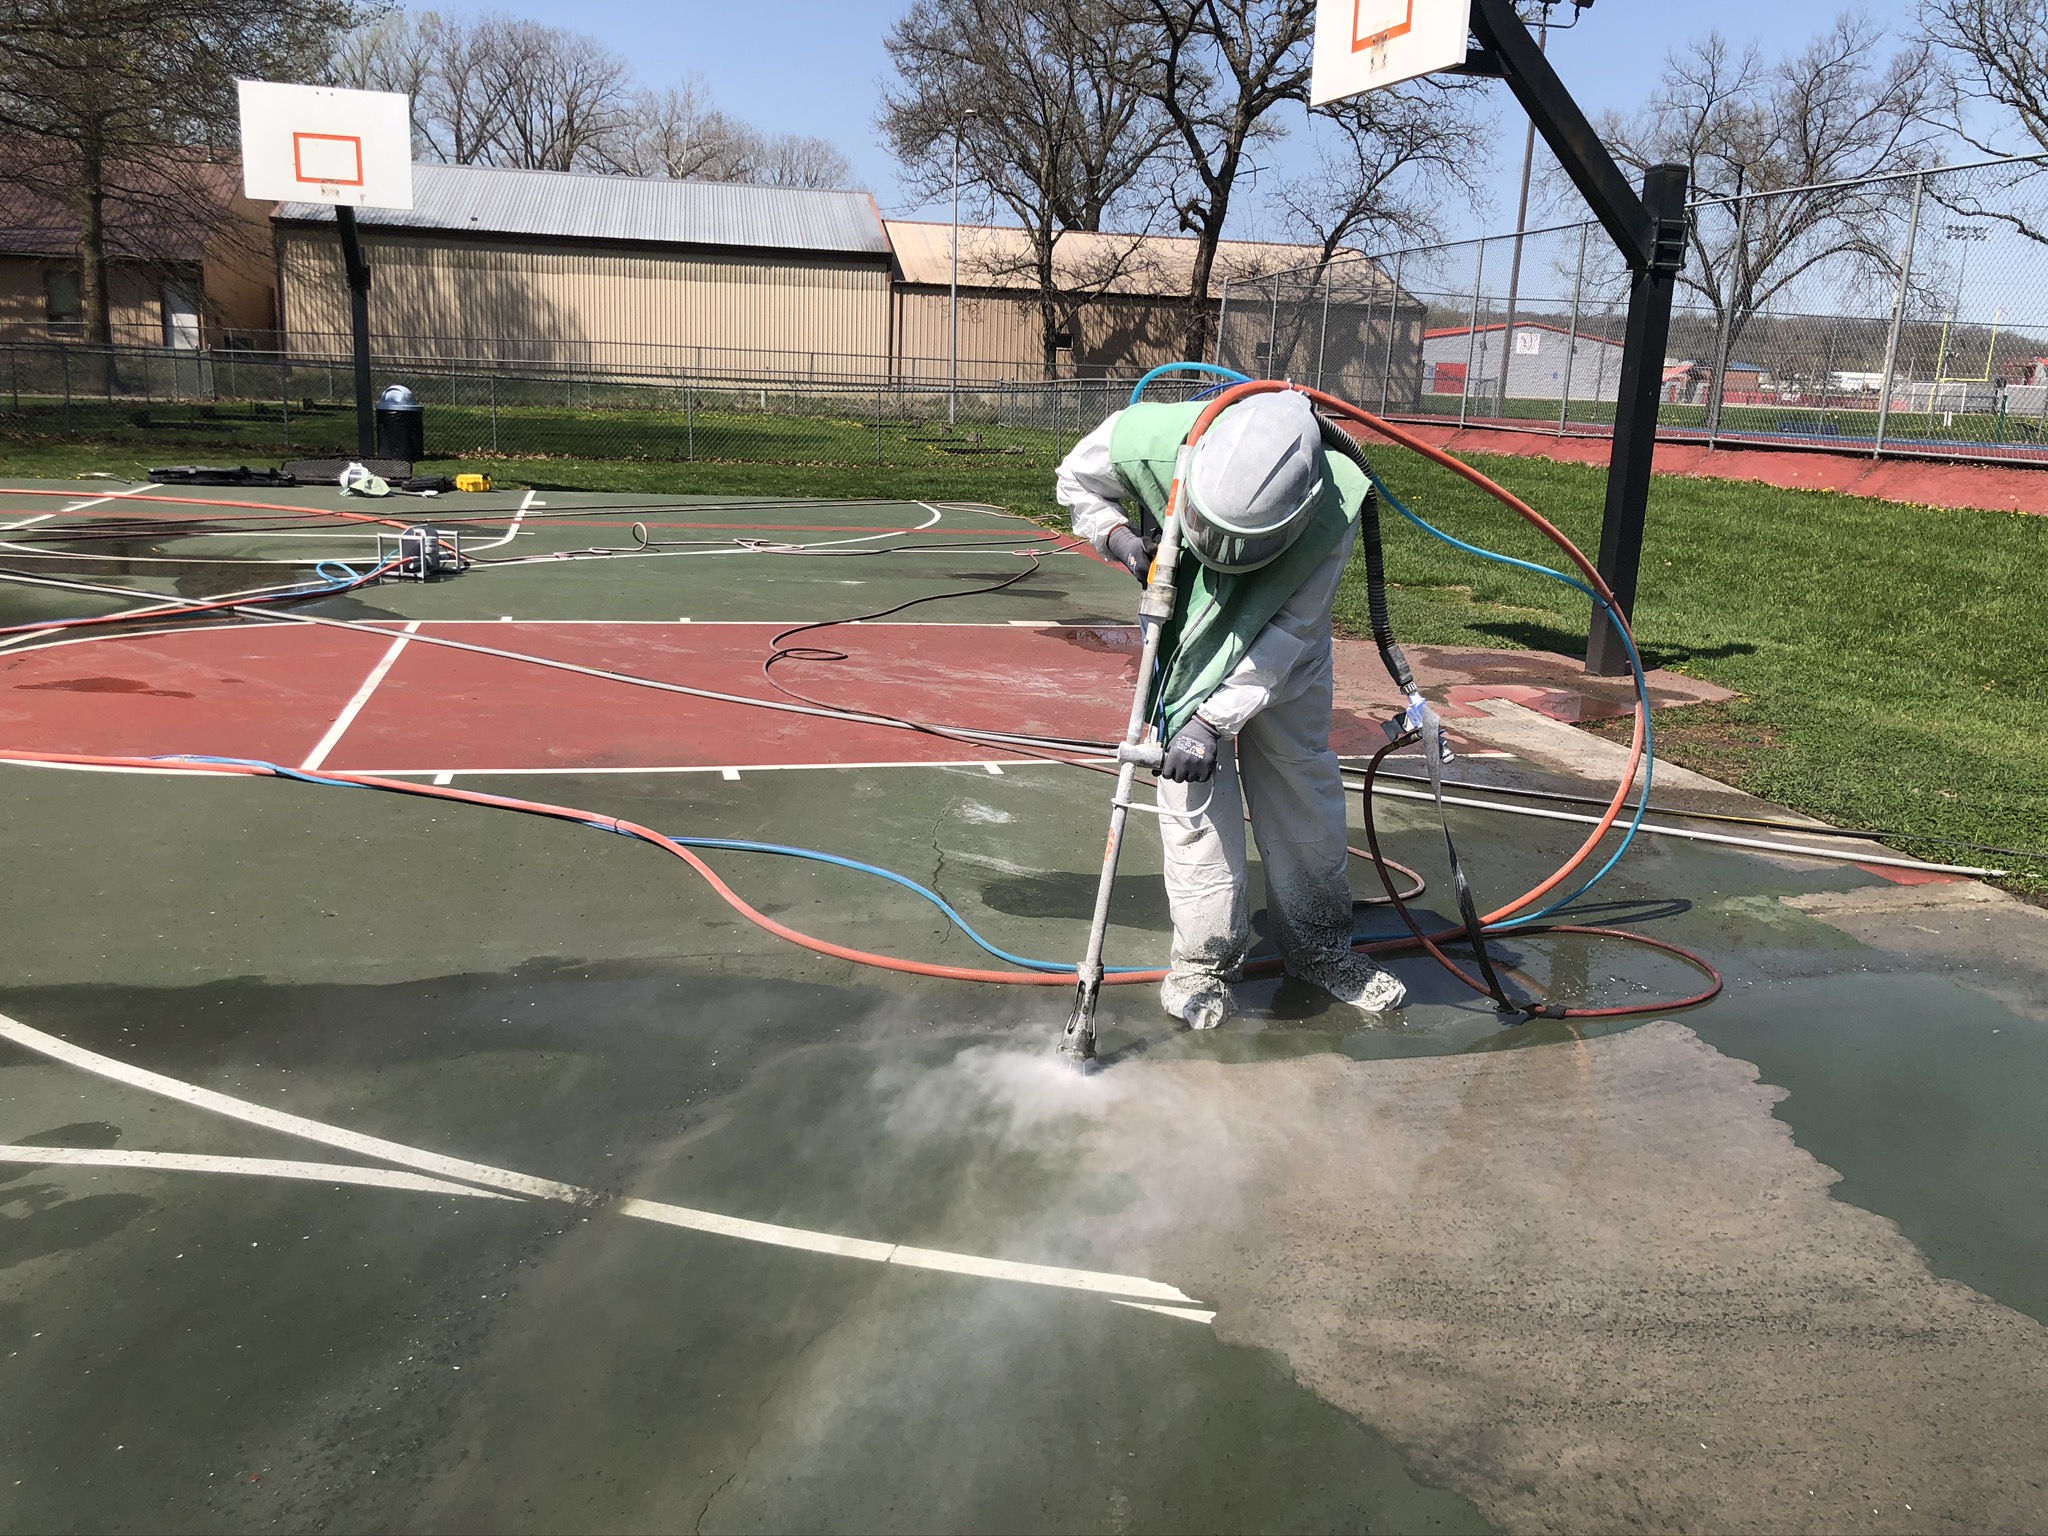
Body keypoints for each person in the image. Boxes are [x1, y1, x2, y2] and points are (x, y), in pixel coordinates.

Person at [1055, 387, 1408, 1031]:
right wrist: (1117, 536)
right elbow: (1075, 478)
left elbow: (1291, 631)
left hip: (1282, 658)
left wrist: (1212, 721)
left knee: (1300, 784)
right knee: (1192, 801)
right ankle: (1203, 961)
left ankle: (1319, 945)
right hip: (1185, 637)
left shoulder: (1335, 500)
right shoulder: (1151, 438)